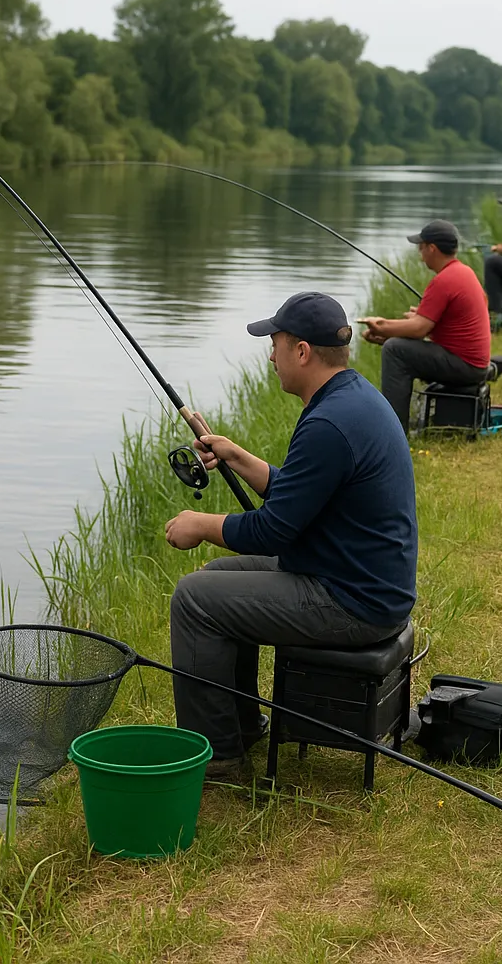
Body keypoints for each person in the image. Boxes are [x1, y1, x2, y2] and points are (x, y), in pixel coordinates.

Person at [163, 292, 418, 781]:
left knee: (195, 598)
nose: (270, 355)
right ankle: (241, 726)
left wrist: (200, 525)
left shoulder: (327, 422)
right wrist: (239, 457)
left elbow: (274, 529)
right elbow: (303, 498)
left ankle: (218, 759)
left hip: (353, 602)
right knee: (217, 580)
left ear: (302, 351)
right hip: (360, 581)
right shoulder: (353, 399)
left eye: (275, 344)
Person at [358, 219, 491, 435]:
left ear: (432, 248)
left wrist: (380, 326)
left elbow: (418, 329)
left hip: (466, 367)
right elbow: (431, 324)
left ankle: (393, 433)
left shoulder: (444, 280)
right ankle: (395, 427)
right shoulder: (463, 272)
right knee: (396, 345)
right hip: (474, 364)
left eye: (421, 248)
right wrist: (391, 331)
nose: (420, 255)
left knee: (394, 350)